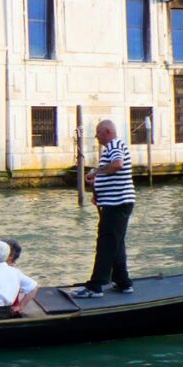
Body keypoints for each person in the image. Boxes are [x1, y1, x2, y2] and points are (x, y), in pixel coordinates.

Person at [74, 119, 136, 299]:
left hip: (117, 204)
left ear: (107, 132)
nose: (96, 137)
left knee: (106, 243)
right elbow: (112, 171)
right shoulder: (112, 147)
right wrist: (98, 190)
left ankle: (95, 286)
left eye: (98, 133)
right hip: (114, 203)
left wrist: (95, 172)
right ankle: (123, 281)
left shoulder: (115, 145)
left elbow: (117, 165)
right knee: (116, 242)